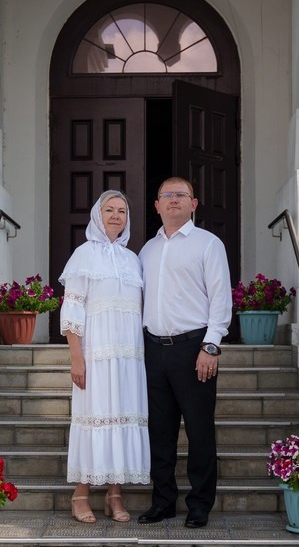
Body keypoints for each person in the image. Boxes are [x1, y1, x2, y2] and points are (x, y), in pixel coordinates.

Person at [137, 177, 232, 528]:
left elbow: (221, 298)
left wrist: (211, 345)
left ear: (194, 204)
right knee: (159, 432)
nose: (173, 200)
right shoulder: (146, 250)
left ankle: (199, 505)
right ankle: (163, 502)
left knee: (199, 430)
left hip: (194, 349)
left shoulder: (208, 244)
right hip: (153, 349)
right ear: (157, 206)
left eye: (181, 195)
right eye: (166, 195)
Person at [58, 190, 151, 523]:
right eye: (109, 210)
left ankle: (114, 494)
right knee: (94, 417)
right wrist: (76, 358)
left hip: (128, 357)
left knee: (121, 416)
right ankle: (80, 494)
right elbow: (73, 310)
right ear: (97, 216)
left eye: (122, 211)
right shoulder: (83, 255)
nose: (115, 215)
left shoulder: (132, 259)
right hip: (96, 355)